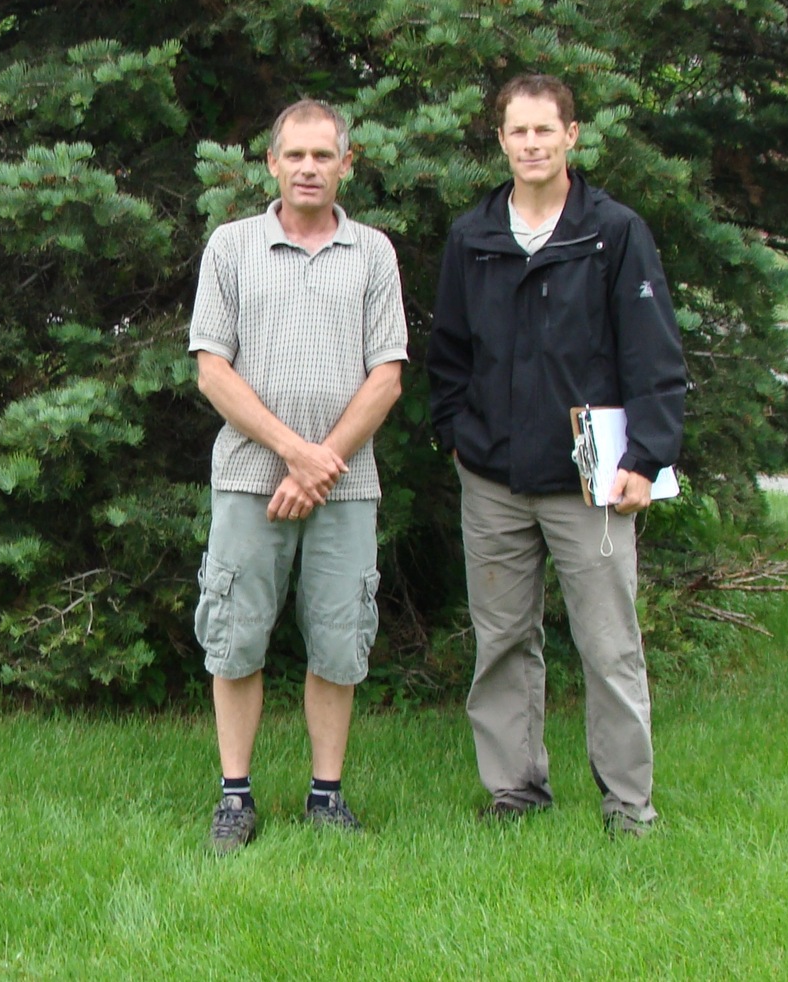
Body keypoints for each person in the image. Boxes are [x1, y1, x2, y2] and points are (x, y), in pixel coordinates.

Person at [427, 74, 685, 836]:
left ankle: (629, 808)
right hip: (494, 479)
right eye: (518, 131)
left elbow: (654, 357)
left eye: (547, 130)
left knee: (610, 649)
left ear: (573, 135)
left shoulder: (612, 233)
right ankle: (516, 792)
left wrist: (648, 456)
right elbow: (449, 355)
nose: (532, 144)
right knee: (503, 642)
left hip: (591, 484)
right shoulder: (472, 237)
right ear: (500, 141)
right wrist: (457, 437)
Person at [189, 98, 407, 852]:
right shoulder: (232, 246)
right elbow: (212, 370)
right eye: (296, 155)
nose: (309, 168)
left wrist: (322, 465)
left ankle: (325, 796)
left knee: (340, 641)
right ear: (272, 164)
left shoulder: (373, 253)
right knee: (236, 637)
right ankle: (236, 796)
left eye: (325, 155)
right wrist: (294, 452)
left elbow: (386, 378)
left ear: (347, 164)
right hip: (250, 479)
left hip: (347, 487)